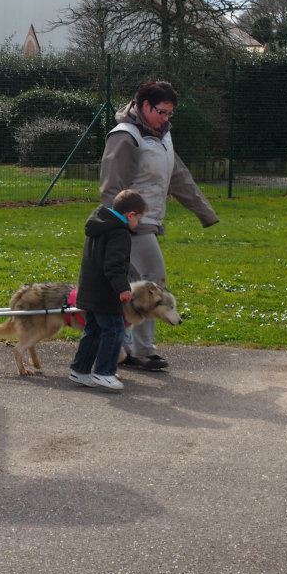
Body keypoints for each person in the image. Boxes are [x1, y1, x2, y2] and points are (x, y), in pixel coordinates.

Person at [100, 79, 219, 372]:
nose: (166, 118)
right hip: (130, 226)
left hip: (148, 223)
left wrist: (204, 212)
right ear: (143, 106)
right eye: (161, 112)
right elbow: (111, 188)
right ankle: (140, 351)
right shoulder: (125, 137)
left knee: (129, 289)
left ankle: (121, 348)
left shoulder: (162, 136)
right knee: (153, 282)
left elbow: (178, 175)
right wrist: (120, 227)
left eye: (169, 113)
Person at [68, 189, 148, 392]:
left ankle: (80, 370)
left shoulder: (99, 225)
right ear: (131, 215)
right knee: (114, 330)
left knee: (93, 331)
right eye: (139, 219)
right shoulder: (119, 233)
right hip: (106, 293)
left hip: (90, 288)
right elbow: (114, 264)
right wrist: (122, 287)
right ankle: (104, 372)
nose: (138, 224)